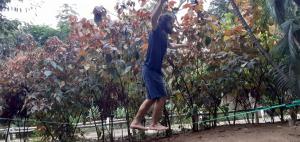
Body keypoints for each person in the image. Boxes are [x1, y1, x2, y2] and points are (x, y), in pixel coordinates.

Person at [130, 0, 187, 131]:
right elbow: (153, 18)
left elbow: (172, 46)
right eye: (171, 22)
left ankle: (136, 121)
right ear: (164, 22)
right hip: (151, 70)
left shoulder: (164, 36)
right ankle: (154, 123)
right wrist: (161, 3)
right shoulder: (156, 31)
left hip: (153, 70)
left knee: (151, 98)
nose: (172, 25)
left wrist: (185, 45)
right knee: (162, 96)